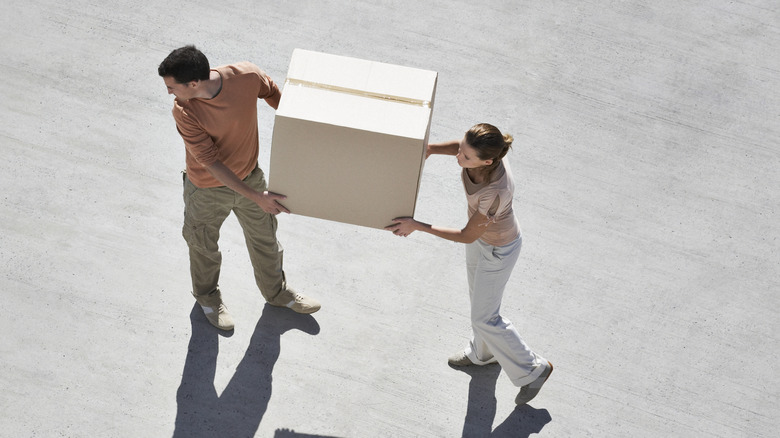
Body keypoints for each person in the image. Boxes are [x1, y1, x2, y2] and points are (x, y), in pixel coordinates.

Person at [385, 123, 552, 405]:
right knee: (479, 304)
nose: (459, 157)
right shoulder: (486, 151)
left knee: (485, 317)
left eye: (466, 156)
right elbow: (458, 148)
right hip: (482, 241)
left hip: (499, 249)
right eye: (462, 148)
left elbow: (466, 235)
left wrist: (417, 225)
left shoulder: (494, 191)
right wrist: (431, 150)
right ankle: (483, 356)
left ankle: (534, 369)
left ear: (487, 162)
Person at [158, 45, 320, 331]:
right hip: (206, 189)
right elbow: (211, 162)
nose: (169, 92)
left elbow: (271, 93)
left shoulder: (246, 76)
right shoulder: (184, 110)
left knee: (265, 239)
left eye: (172, 87)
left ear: (193, 83)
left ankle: (277, 293)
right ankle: (208, 299)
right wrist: (257, 197)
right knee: (203, 246)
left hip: (251, 176)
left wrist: (299, 125)